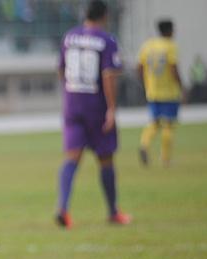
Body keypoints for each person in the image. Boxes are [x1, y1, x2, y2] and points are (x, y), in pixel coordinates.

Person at [55, 0, 131, 228]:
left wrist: (69, 94)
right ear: (105, 16)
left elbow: (60, 69)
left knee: (72, 158)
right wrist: (111, 108)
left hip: (72, 103)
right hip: (95, 105)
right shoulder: (106, 40)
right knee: (105, 158)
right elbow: (108, 75)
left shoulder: (69, 37)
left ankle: (63, 209)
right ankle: (113, 211)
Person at [136, 20, 183, 167]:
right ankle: (165, 159)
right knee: (168, 124)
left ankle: (144, 144)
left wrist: (145, 83)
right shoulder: (170, 46)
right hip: (169, 92)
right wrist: (181, 86)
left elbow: (139, 67)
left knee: (155, 122)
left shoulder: (148, 45)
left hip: (153, 91)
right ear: (169, 31)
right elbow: (173, 68)